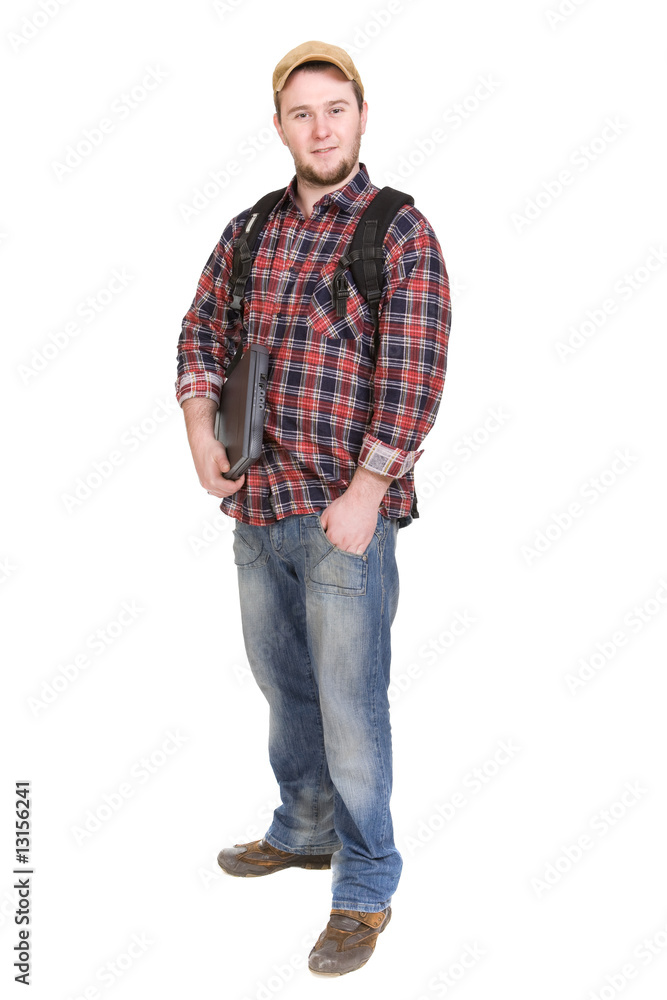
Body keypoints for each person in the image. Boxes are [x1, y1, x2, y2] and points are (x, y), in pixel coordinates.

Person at [175, 39, 451, 977]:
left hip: (344, 516)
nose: (320, 128)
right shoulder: (250, 229)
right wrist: (200, 429)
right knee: (282, 684)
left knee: (350, 703)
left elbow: (415, 373)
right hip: (258, 506)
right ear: (280, 126)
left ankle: (366, 882)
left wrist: (367, 493)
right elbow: (202, 330)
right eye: (302, 114)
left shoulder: (396, 229)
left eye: (335, 109)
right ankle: (302, 825)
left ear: (361, 117)